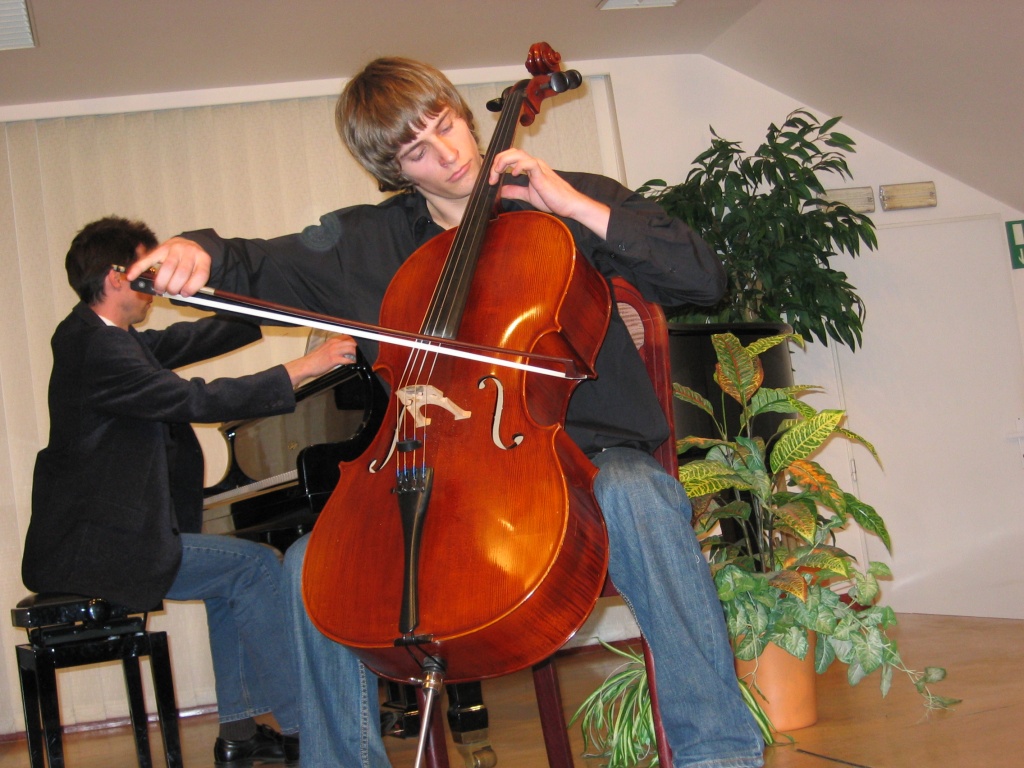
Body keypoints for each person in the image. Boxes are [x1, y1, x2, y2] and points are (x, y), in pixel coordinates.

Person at [130, 57, 765, 768]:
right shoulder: (366, 244)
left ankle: (720, 754)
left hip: (587, 465)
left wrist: (571, 204)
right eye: (416, 150)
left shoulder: (563, 199)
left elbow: (702, 281)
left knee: (641, 496)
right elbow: (255, 265)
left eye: (445, 125)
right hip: (442, 487)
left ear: (465, 114)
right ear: (394, 170)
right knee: (315, 565)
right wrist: (197, 251)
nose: (449, 153)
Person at [22, 216, 359, 767]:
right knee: (255, 567)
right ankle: (307, 729)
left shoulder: (104, 338)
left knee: (233, 578)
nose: (156, 285)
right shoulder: (95, 347)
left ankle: (239, 734)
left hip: (102, 539)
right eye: (147, 271)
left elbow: (190, 338)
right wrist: (302, 368)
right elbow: (195, 399)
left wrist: (267, 301)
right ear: (117, 276)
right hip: (100, 547)